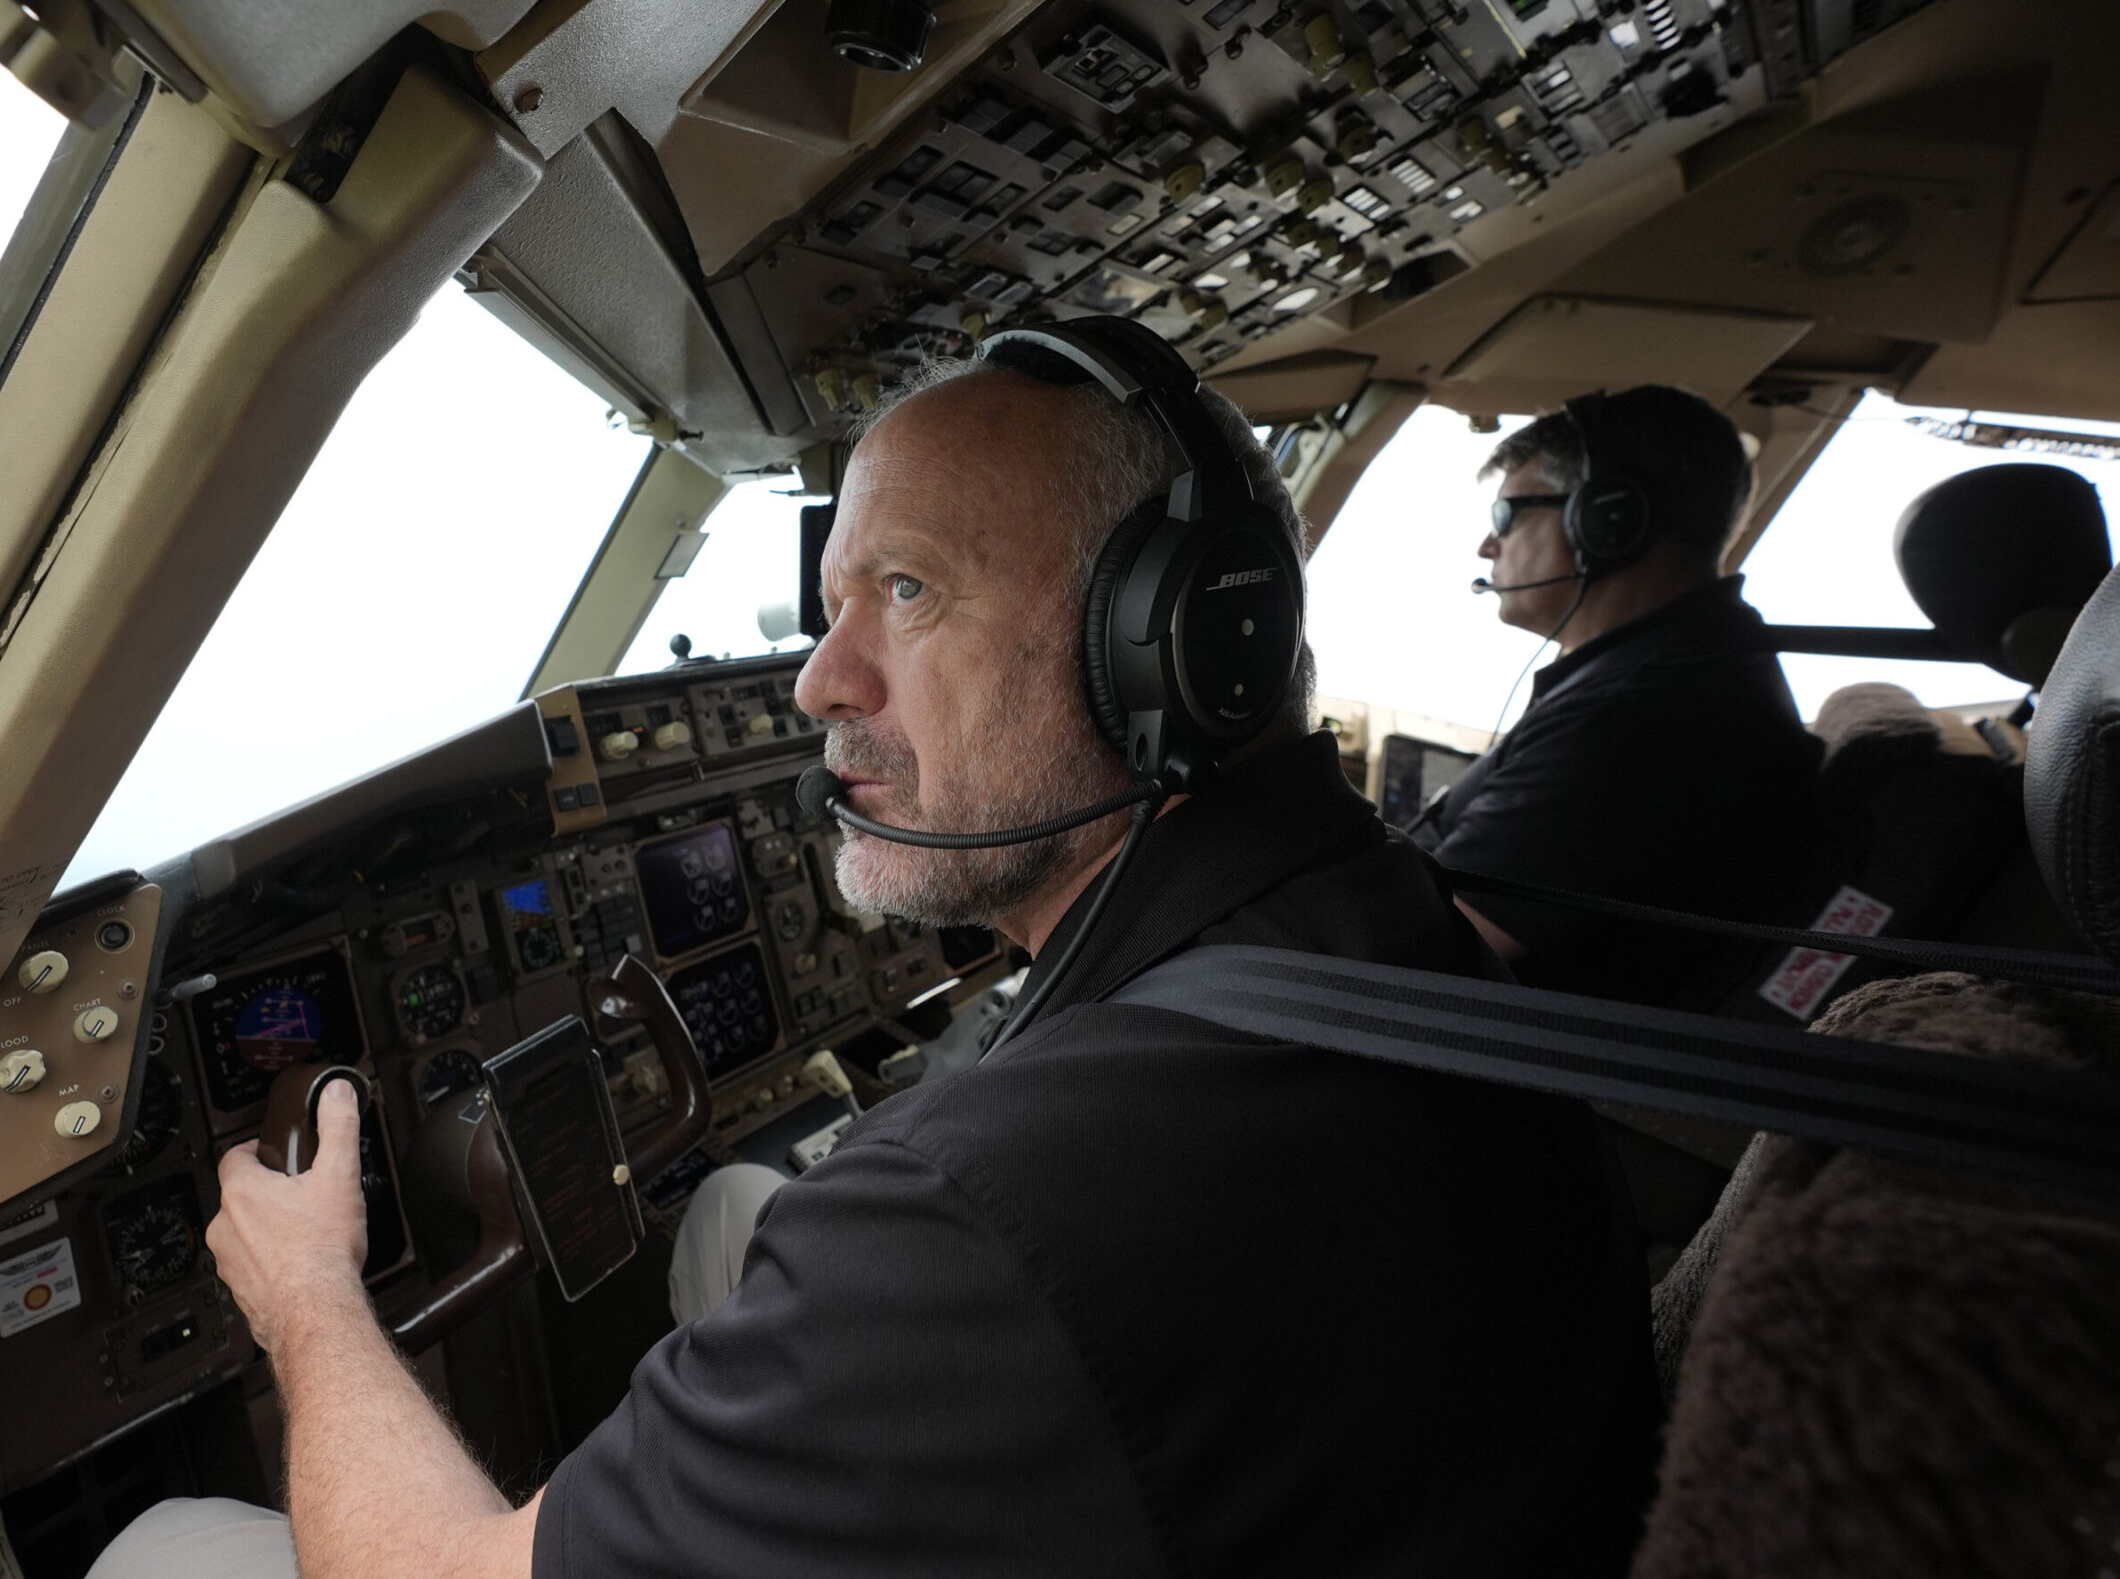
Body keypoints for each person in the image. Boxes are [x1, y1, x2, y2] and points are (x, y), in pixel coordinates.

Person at [89, 324, 1658, 1579]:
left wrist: (308, 1295)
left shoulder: (981, 1214)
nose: (821, 685)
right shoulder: (1386, 921)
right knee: (728, 1217)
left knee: (171, 1546)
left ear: (1173, 641)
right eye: (832, 603)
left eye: (907, 593)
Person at [1409, 388, 1822, 1008]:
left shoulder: (1648, 710)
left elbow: (1415, 943)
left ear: (1607, 519)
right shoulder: (1678, 667)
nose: (1486, 547)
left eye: (1506, 517)